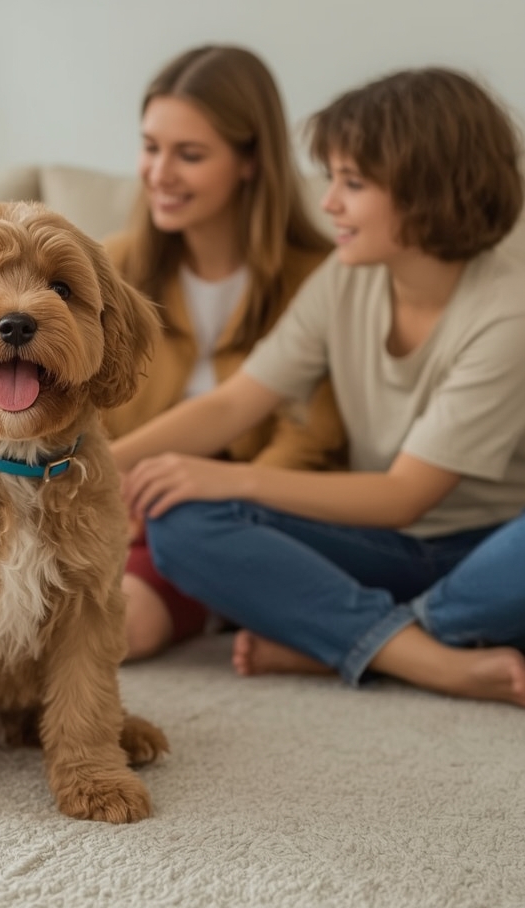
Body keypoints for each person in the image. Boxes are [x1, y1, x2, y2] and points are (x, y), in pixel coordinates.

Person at [114, 67, 525, 707]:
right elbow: (235, 402)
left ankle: (357, 641)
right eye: (331, 177)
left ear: (428, 192)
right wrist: (99, 465)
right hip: (378, 548)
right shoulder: (346, 276)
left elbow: (405, 496)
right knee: (183, 521)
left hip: (486, 545)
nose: (328, 201)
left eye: (352, 183)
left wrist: (232, 476)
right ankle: (424, 651)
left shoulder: (508, 310)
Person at [103, 45, 346, 660]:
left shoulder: (320, 277)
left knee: (111, 634)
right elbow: (79, 411)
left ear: (250, 161)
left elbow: (312, 440)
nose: (160, 173)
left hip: (241, 519)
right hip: (114, 506)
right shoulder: (109, 267)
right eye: (151, 146)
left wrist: (215, 495)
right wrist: (107, 495)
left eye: (189, 155)